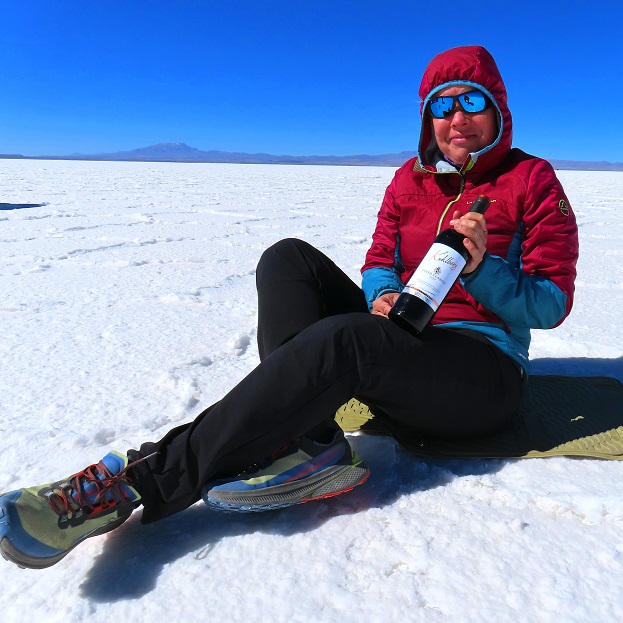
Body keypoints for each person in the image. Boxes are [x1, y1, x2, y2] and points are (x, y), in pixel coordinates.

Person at [0, 45, 578, 570]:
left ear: (497, 109)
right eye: (441, 105)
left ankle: (136, 482)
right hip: (403, 336)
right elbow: (380, 257)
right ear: (427, 118)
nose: (457, 117)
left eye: (471, 102)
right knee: (288, 258)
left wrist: (483, 269)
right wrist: (379, 294)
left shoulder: (531, 179)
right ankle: (306, 441)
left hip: (479, 373)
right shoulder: (409, 180)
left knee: (347, 342)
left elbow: (550, 302)